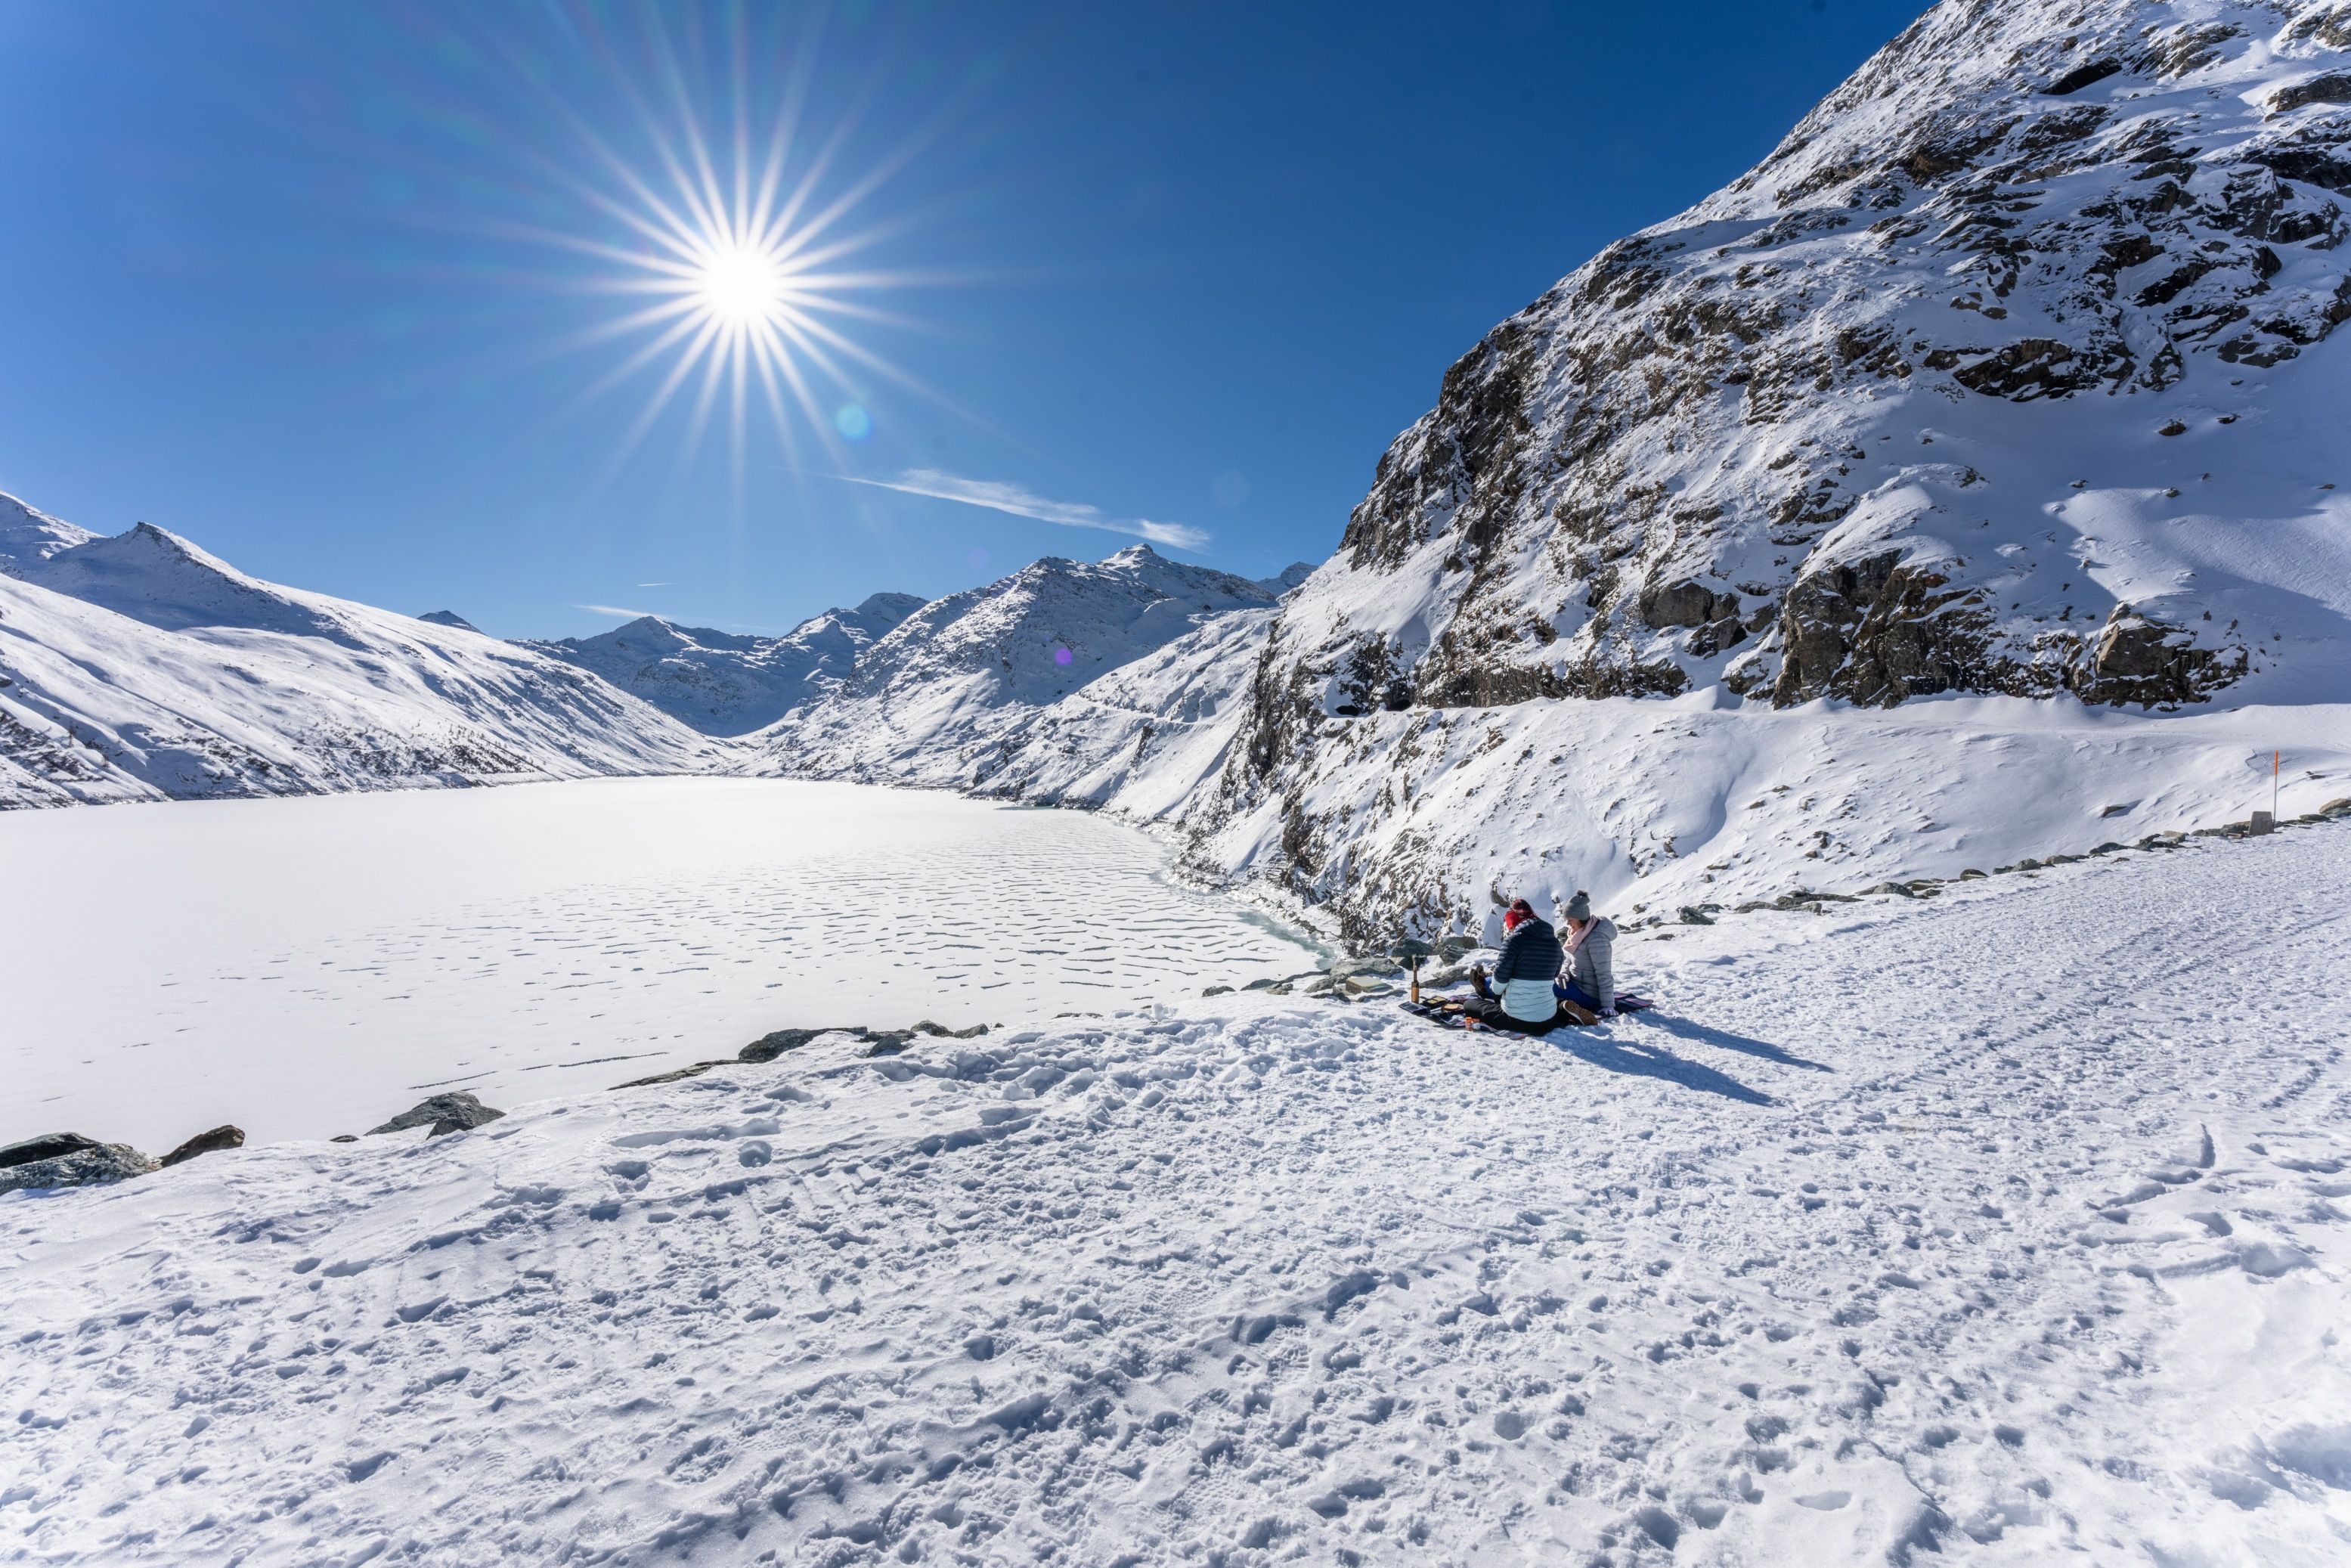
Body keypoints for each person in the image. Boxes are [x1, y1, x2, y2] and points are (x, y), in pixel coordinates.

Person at [1464, 899, 1566, 1033]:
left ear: (1515, 924)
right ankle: (1562, 1008)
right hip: (1548, 1019)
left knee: (1469, 1004)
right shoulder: (1555, 944)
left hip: (1517, 1020)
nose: (1511, 930)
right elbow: (1554, 975)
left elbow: (1499, 984)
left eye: (1510, 927)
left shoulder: (1514, 941)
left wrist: (1498, 993)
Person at [1553, 890, 1618, 1020]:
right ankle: (1564, 1005)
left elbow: (1604, 973)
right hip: (1574, 984)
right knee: (1543, 980)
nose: (1567, 924)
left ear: (1581, 919)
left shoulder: (1597, 940)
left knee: (1542, 986)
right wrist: (1565, 974)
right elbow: (1569, 959)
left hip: (1589, 994)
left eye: (1570, 919)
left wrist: (1607, 1005)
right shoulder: (1576, 934)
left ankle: (1564, 1007)